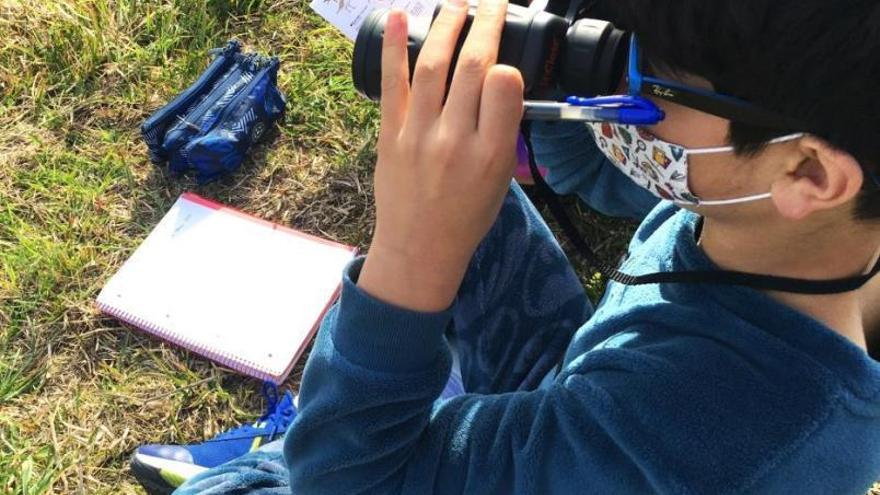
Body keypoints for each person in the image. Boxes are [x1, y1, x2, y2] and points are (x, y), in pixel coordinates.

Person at [168, 0, 880, 493]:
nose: (604, 53)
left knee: (275, 479)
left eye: (648, 72)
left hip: (611, 435)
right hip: (591, 386)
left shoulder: (693, 452)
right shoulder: (797, 216)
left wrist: (413, 251)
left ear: (808, 171)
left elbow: (343, 483)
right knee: (460, 180)